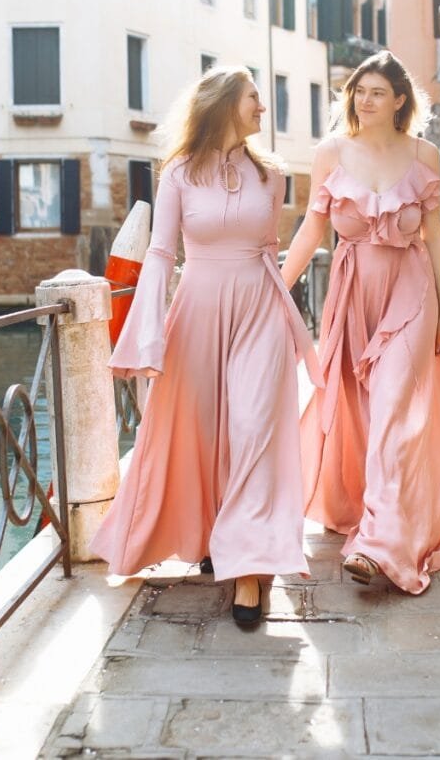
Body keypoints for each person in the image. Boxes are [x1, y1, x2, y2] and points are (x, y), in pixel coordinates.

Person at [91, 66, 324, 623]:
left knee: (253, 429)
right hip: (196, 308)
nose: (262, 110)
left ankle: (248, 571)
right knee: (200, 429)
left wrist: (282, 313)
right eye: (253, 100)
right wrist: (143, 337)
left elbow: (271, 248)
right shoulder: (177, 174)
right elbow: (161, 253)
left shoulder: (272, 174)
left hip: (259, 308)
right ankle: (214, 536)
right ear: (224, 105)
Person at [280, 50, 440, 595]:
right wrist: (276, 285)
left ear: (400, 101)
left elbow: (433, 236)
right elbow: (311, 232)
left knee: (392, 409)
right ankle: (378, 516)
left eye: (377, 93)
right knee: (361, 414)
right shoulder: (331, 153)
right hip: (353, 293)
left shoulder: (425, 155)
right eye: (359, 92)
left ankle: (379, 544)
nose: (365, 100)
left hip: (411, 295)